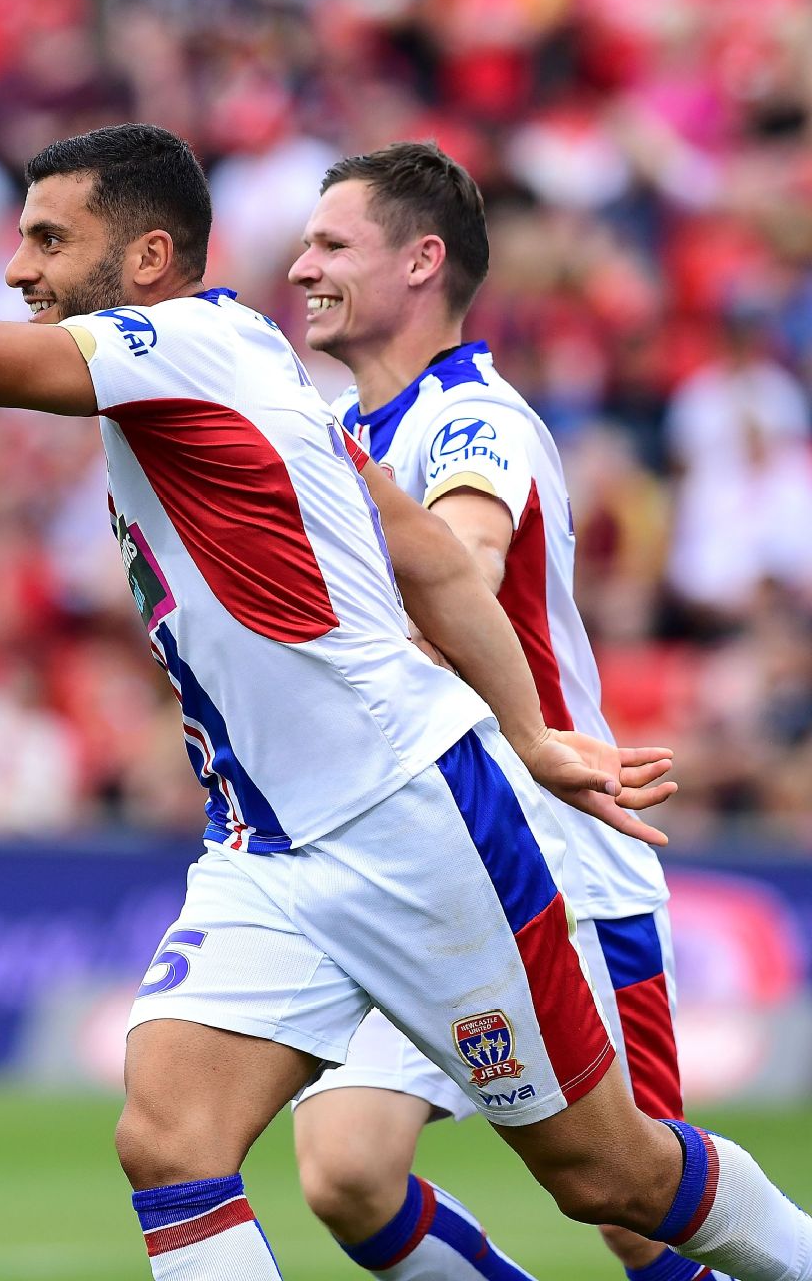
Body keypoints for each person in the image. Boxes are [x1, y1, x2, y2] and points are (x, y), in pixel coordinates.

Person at [0, 123, 811, 1281]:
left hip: (410, 820)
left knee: (612, 1175)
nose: (16, 269)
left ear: (147, 257)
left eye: (49, 240)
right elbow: (419, 557)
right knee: (170, 1137)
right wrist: (534, 728)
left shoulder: (191, 348)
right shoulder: (260, 371)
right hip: (269, 845)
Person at [285, 141, 722, 1281]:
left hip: (565, 862)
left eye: (332, 244)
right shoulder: (337, 449)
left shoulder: (475, 418)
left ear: (422, 261)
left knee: (636, 1210)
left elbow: (467, 552)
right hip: (430, 870)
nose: (302, 266)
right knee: (344, 1168)